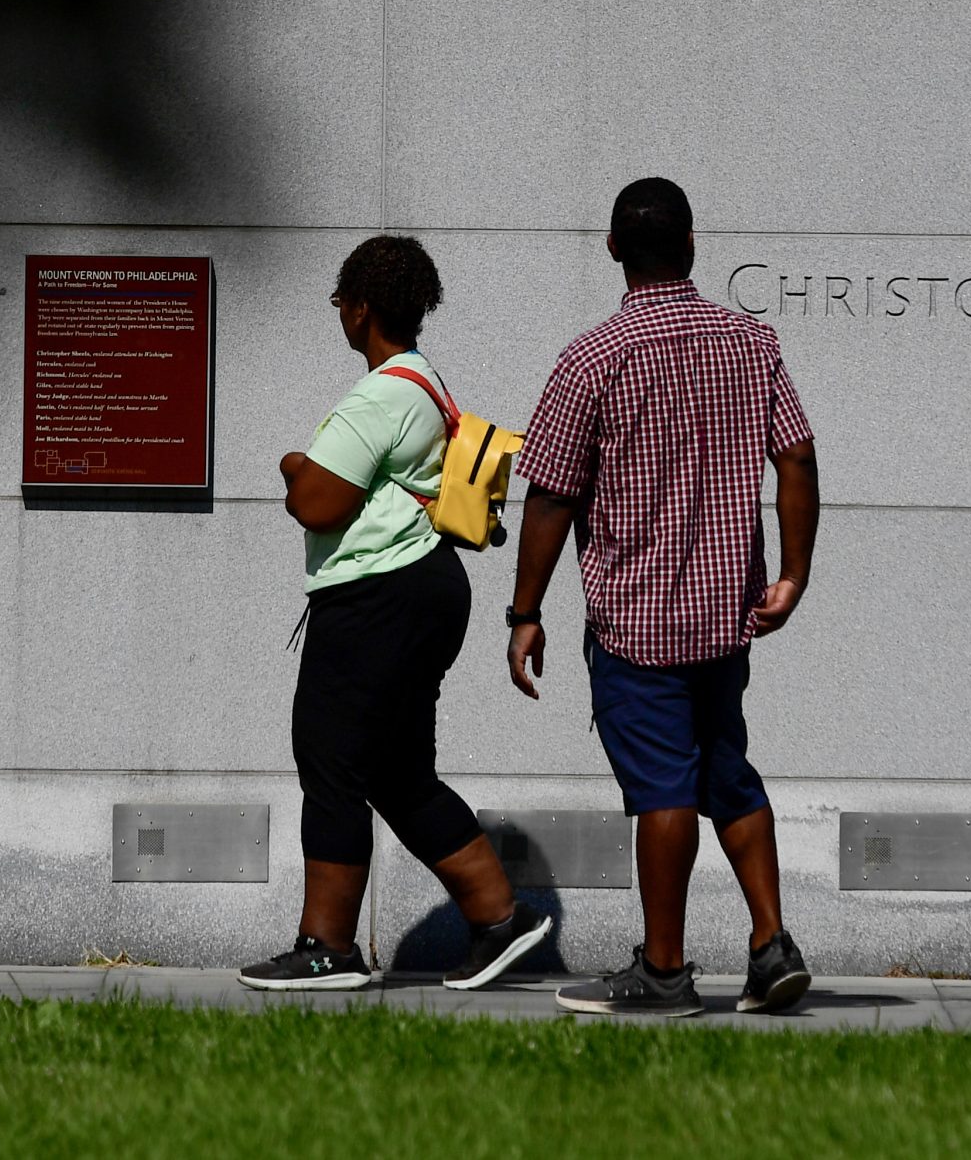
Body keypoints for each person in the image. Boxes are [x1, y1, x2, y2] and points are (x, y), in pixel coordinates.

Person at [506, 178, 822, 1017]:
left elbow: (550, 495)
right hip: (729, 616)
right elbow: (796, 457)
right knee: (727, 772)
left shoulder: (591, 358)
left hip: (636, 623)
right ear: (689, 247)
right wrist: (792, 574)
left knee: (664, 793)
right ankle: (770, 945)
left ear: (614, 249)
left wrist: (525, 611)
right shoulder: (750, 344)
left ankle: (667, 971)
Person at [239, 234, 551, 993]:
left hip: (378, 596)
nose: (339, 315)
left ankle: (328, 947)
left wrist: (291, 463)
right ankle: (498, 917)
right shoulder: (426, 384)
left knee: (331, 755)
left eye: (341, 302)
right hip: (423, 590)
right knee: (397, 769)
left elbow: (316, 502)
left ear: (363, 308)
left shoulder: (382, 393)